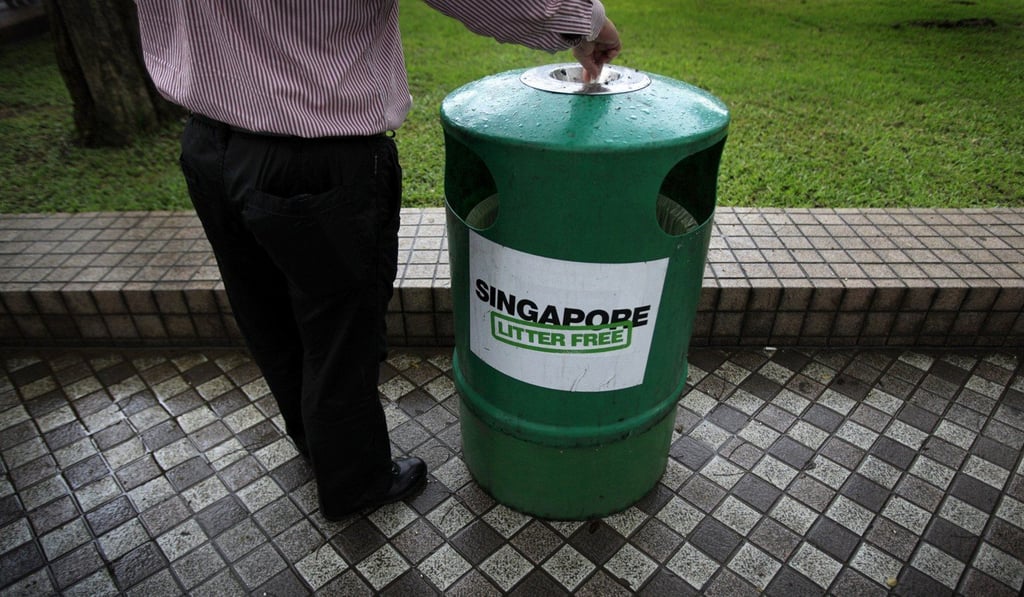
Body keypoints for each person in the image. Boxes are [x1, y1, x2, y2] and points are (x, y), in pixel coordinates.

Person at [133, 0, 622, 521]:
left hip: (208, 146)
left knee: (266, 312)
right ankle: (355, 481)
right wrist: (585, 20)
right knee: (341, 328)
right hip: (315, 157)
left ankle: (316, 441)